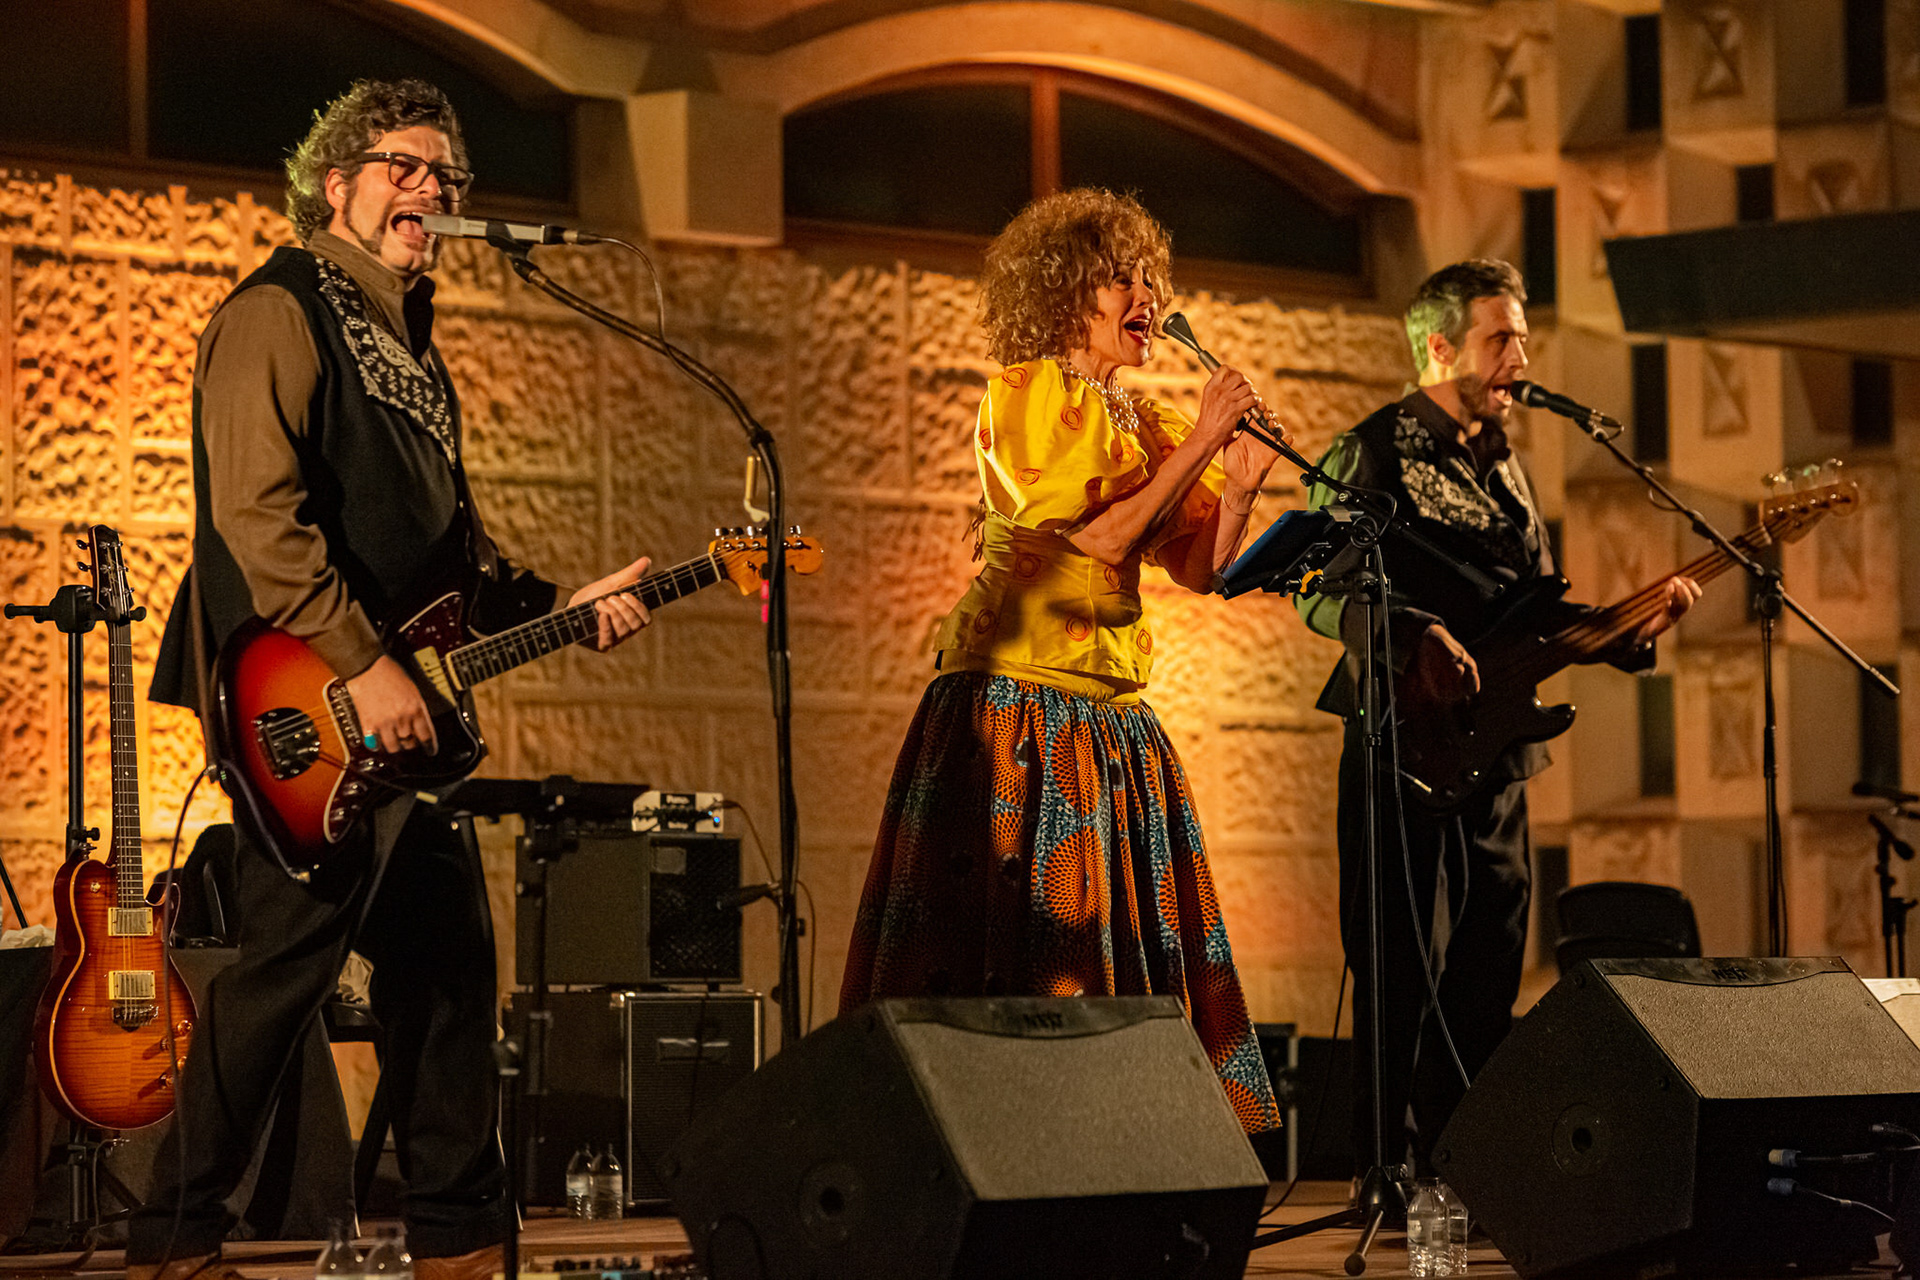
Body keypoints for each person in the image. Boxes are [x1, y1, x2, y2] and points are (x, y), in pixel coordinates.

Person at [134, 79, 652, 1280]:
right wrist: (363, 665)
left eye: (447, 173)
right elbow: (258, 520)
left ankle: (459, 1242)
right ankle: (173, 1238)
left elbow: (449, 558)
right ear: (337, 186)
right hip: (302, 701)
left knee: (448, 968)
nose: (433, 188)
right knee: (284, 973)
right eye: (403, 166)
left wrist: (559, 605)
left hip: (385, 706)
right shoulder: (278, 310)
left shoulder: (412, 343)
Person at [838, 188, 1285, 1133]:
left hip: (1110, 715)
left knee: (1117, 942)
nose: (1148, 298)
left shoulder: (1147, 423)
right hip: (1018, 709)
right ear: (1067, 292)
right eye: (1125, 279)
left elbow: (1200, 571)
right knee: (1030, 942)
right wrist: (1208, 437)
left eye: (1153, 281)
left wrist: (1241, 485)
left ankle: (1119, 1140)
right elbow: (1100, 541)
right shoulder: (1028, 395)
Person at [1295, 259, 1699, 1182]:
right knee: (1401, 965)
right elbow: (1319, 589)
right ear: (1440, 348)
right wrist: (1414, 636)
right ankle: (1383, 1171)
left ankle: (1463, 1167)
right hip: (1405, 745)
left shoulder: (1509, 466)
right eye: (1501, 338)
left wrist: (1622, 634)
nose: (1522, 356)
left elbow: (1533, 612)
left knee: (1489, 968)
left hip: (1502, 754)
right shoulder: (1369, 450)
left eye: (1522, 337)